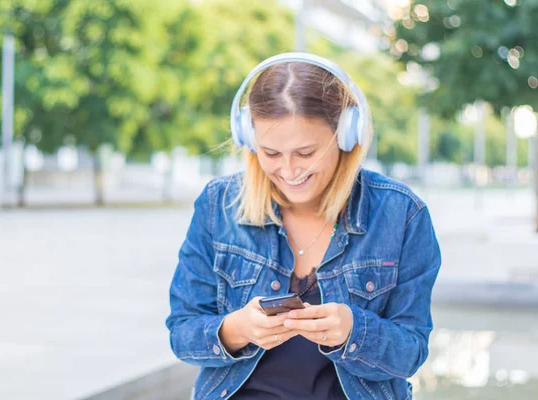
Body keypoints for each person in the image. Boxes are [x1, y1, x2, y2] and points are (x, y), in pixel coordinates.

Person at [165, 52, 441, 400]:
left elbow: (411, 352)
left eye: (306, 153)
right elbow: (182, 333)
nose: (290, 171)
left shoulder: (401, 214)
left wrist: (354, 330)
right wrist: (237, 330)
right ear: (248, 140)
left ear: (345, 134)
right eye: (271, 153)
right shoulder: (217, 205)